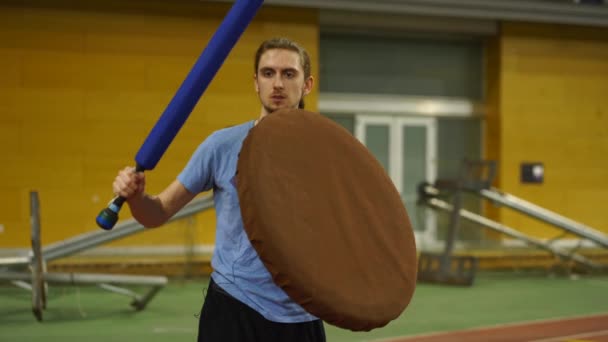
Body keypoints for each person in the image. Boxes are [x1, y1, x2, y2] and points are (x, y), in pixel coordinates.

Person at [112, 37, 326, 341]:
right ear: (256, 82)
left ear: (307, 84)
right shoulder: (221, 147)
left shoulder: (327, 154)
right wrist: (135, 199)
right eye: (268, 73)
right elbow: (157, 213)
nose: (277, 83)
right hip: (234, 305)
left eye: (288, 74)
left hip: (302, 312)